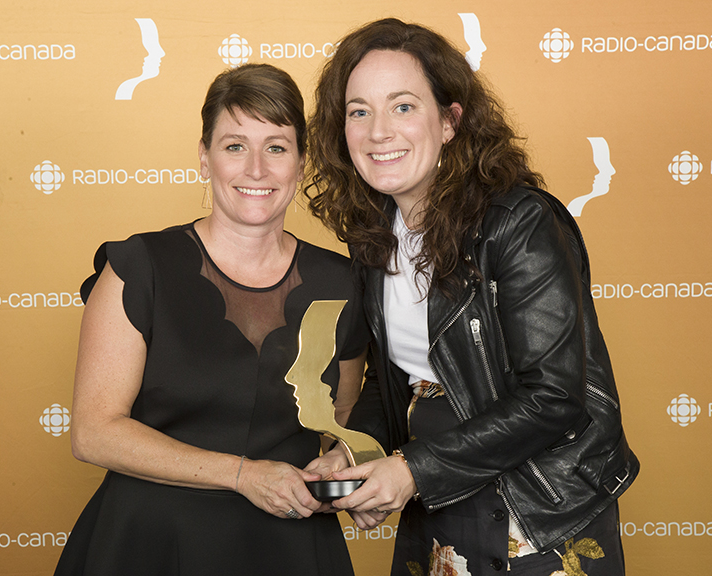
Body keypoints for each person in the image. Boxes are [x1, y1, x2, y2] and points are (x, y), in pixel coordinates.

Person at [304, 18, 639, 576]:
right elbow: (398, 381)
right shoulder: (374, 235)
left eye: (403, 107)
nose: (379, 131)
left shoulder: (518, 222)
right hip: (439, 496)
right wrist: (355, 450)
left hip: (538, 508)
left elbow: (555, 396)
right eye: (359, 112)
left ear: (450, 121)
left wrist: (412, 470)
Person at [54, 63, 367, 576]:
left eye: (276, 147)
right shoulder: (141, 267)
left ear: (301, 162)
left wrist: (341, 462)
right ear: (204, 157)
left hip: (291, 545)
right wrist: (243, 475)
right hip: (150, 543)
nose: (256, 169)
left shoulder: (344, 282)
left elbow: (347, 411)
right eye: (235, 146)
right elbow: (94, 432)